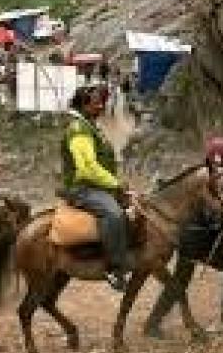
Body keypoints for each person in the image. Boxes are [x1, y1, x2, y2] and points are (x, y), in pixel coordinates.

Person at [62, 86, 130, 291]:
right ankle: (114, 268)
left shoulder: (89, 126)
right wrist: (115, 184)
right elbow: (87, 168)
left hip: (97, 185)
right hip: (82, 188)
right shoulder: (78, 130)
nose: (101, 106)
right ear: (84, 105)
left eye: (101, 102)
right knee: (114, 213)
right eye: (96, 103)